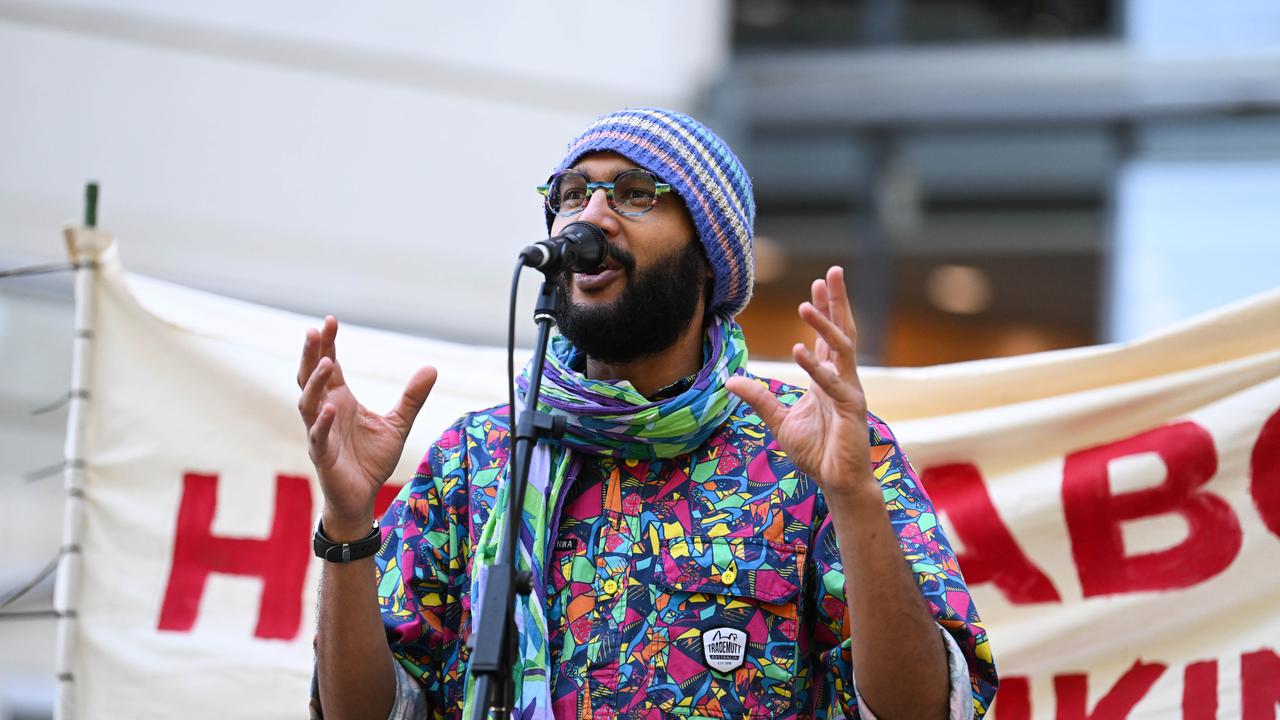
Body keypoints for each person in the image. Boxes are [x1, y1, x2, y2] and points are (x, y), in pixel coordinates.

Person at [299, 108, 998, 720]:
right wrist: (347, 523)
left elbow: (927, 710)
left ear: (707, 257)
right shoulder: (479, 456)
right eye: (572, 194)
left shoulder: (808, 446)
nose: (590, 218)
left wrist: (851, 497)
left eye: (635, 194)